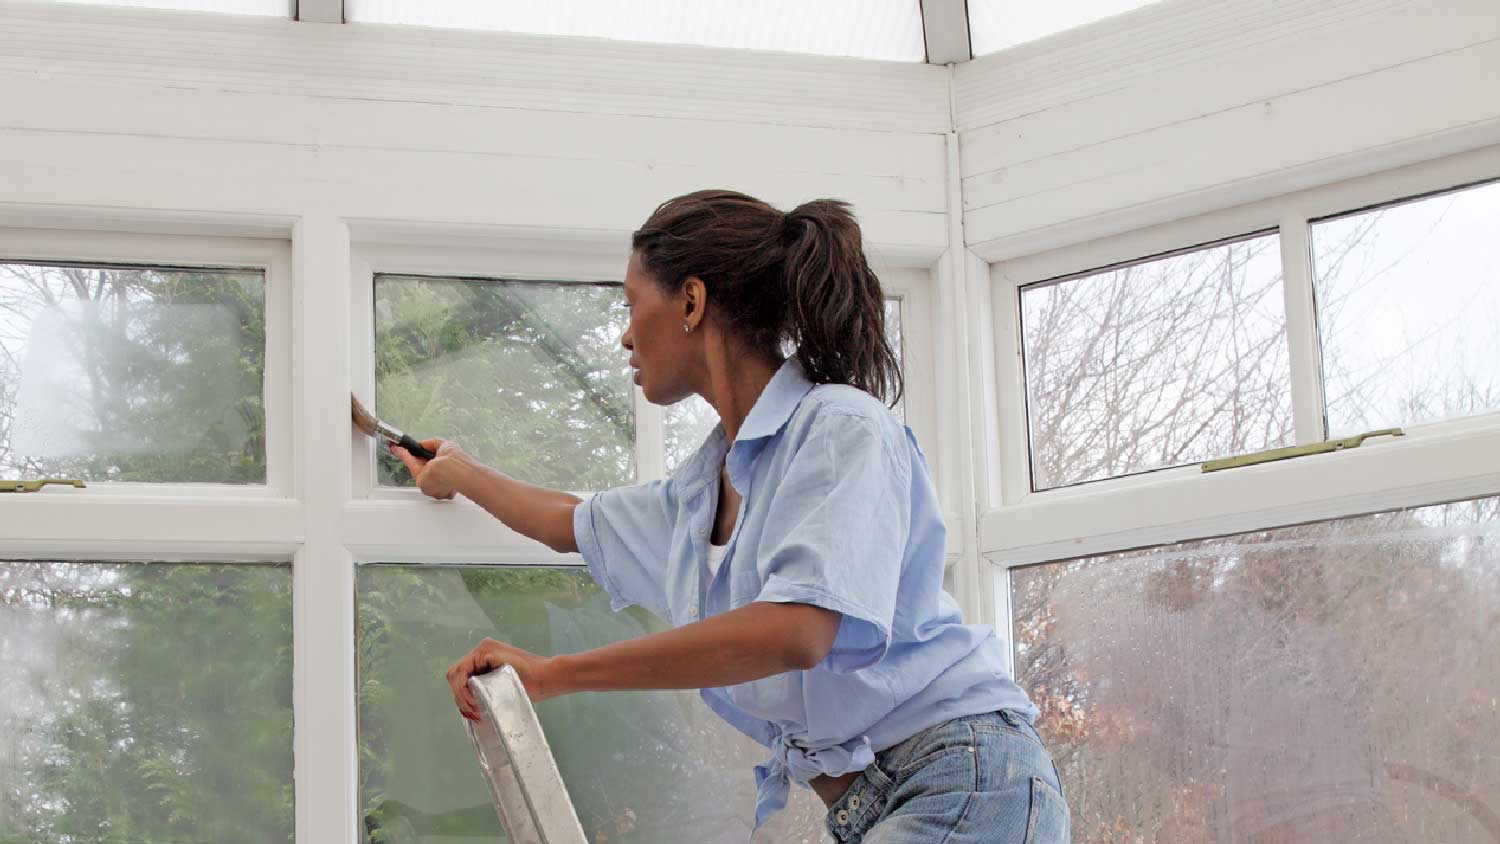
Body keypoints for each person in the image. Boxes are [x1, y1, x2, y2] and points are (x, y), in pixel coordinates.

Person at [389, 189, 1069, 843]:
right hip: (873, 800)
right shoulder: (697, 495)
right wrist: (462, 472)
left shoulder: (838, 427)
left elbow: (796, 628)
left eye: (632, 305)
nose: (625, 337)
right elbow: (571, 521)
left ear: (691, 300)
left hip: (967, 777)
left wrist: (555, 673)